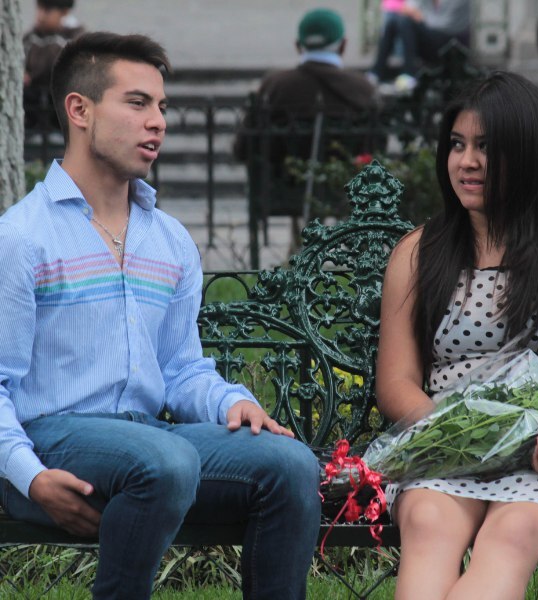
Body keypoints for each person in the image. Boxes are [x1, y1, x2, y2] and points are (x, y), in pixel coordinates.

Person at [0, 32, 320, 600]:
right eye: (137, 102)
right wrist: (30, 476)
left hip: (151, 445)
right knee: (165, 460)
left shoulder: (168, 240)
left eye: (162, 106)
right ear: (80, 110)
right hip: (49, 443)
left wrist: (230, 402)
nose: (158, 122)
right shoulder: (23, 238)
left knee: (290, 465)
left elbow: (180, 368)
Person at [375, 71, 538, 599]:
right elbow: (397, 380)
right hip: (442, 450)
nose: (467, 162)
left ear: (527, 155)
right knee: (428, 522)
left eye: (486, 148)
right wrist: (461, 435)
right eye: (458, 145)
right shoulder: (418, 252)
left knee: (511, 533)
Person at [233, 8, 382, 244]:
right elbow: (378, 148)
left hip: (283, 191)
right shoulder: (363, 89)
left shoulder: (275, 86)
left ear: (298, 46)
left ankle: (299, 242)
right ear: (343, 45)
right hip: (345, 191)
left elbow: (243, 148)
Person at [367, 0, 471, 91]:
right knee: (393, 22)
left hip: (450, 41)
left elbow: (446, 24)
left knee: (406, 23)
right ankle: (376, 73)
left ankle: (409, 74)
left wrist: (419, 16)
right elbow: (409, 7)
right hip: (430, 35)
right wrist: (412, 12)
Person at [22, 0, 85, 131]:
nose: (40, 16)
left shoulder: (75, 37)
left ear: (64, 12)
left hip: (59, 93)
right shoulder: (31, 36)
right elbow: (20, 58)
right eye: (39, 9)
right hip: (34, 94)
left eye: (47, 11)